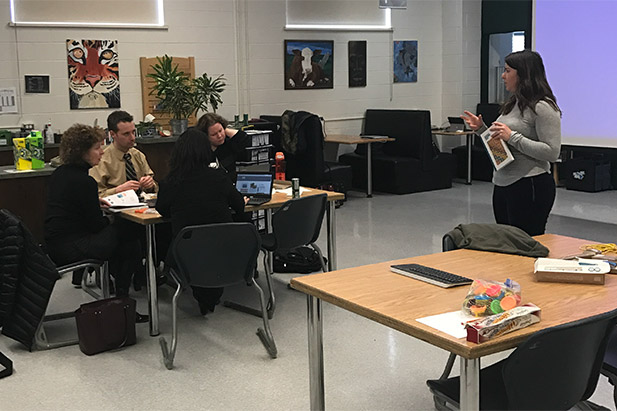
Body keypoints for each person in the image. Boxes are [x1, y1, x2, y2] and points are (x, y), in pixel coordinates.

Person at [44, 124, 148, 322]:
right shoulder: (85, 182)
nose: (101, 152)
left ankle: (121, 299)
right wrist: (110, 216)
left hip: (56, 244)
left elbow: (72, 209)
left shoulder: (60, 174)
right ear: (82, 152)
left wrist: (95, 204)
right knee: (129, 232)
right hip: (74, 246)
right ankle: (123, 301)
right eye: (97, 148)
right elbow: (96, 226)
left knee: (125, 240)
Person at [462, 50, 561, 236]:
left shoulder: (543, 106)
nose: (502, 75)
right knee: (508, 244)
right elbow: (501, 151)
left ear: (523, 74)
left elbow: (552, 152)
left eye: (507, 71)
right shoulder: (513, 104)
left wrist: (513, 137)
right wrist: (482, 130)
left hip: (530, 184)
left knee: (525, 243)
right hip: (503, 183)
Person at [156, 128, 248, 315]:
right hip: (224, 249)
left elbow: (162, 211)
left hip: (187, 252)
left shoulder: (170, 182)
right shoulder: (219, 177)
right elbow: (239, 207)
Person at [89, 110, 157, 196]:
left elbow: (154, 187)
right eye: (126, 134)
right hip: (113, 206)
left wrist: (150, 185)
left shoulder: (138, 155)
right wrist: (117, 190)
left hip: (141, 203)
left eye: (133, 132)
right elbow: (95, 194)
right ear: (113, 134)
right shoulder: (101, 159)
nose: (132, 138)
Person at [196, 112, 250, 183]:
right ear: (205, 136)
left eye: (220, 131)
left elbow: (243, 137)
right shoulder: (202, 152)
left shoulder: (228, 144)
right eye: (214, 134)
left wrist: (225, 130)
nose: (219, 136)